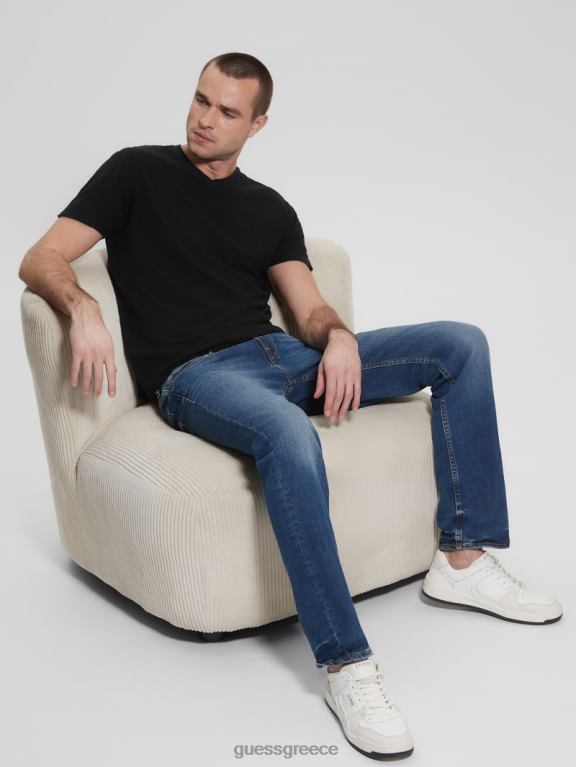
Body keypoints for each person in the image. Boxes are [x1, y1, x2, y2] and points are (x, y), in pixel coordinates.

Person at [18, 51, 563, 761]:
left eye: (228, 111)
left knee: (461, 344)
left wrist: (338, 338)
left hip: (283, 356)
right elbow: (41, 257)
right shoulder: (136, 173)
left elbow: (308, 309)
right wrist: (83, 307)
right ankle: (346, 664)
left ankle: (461, 560)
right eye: (201, 100)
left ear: (258, 124)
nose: (205, 120)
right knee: (284, 431)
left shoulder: (269, 208)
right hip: (195, 374)